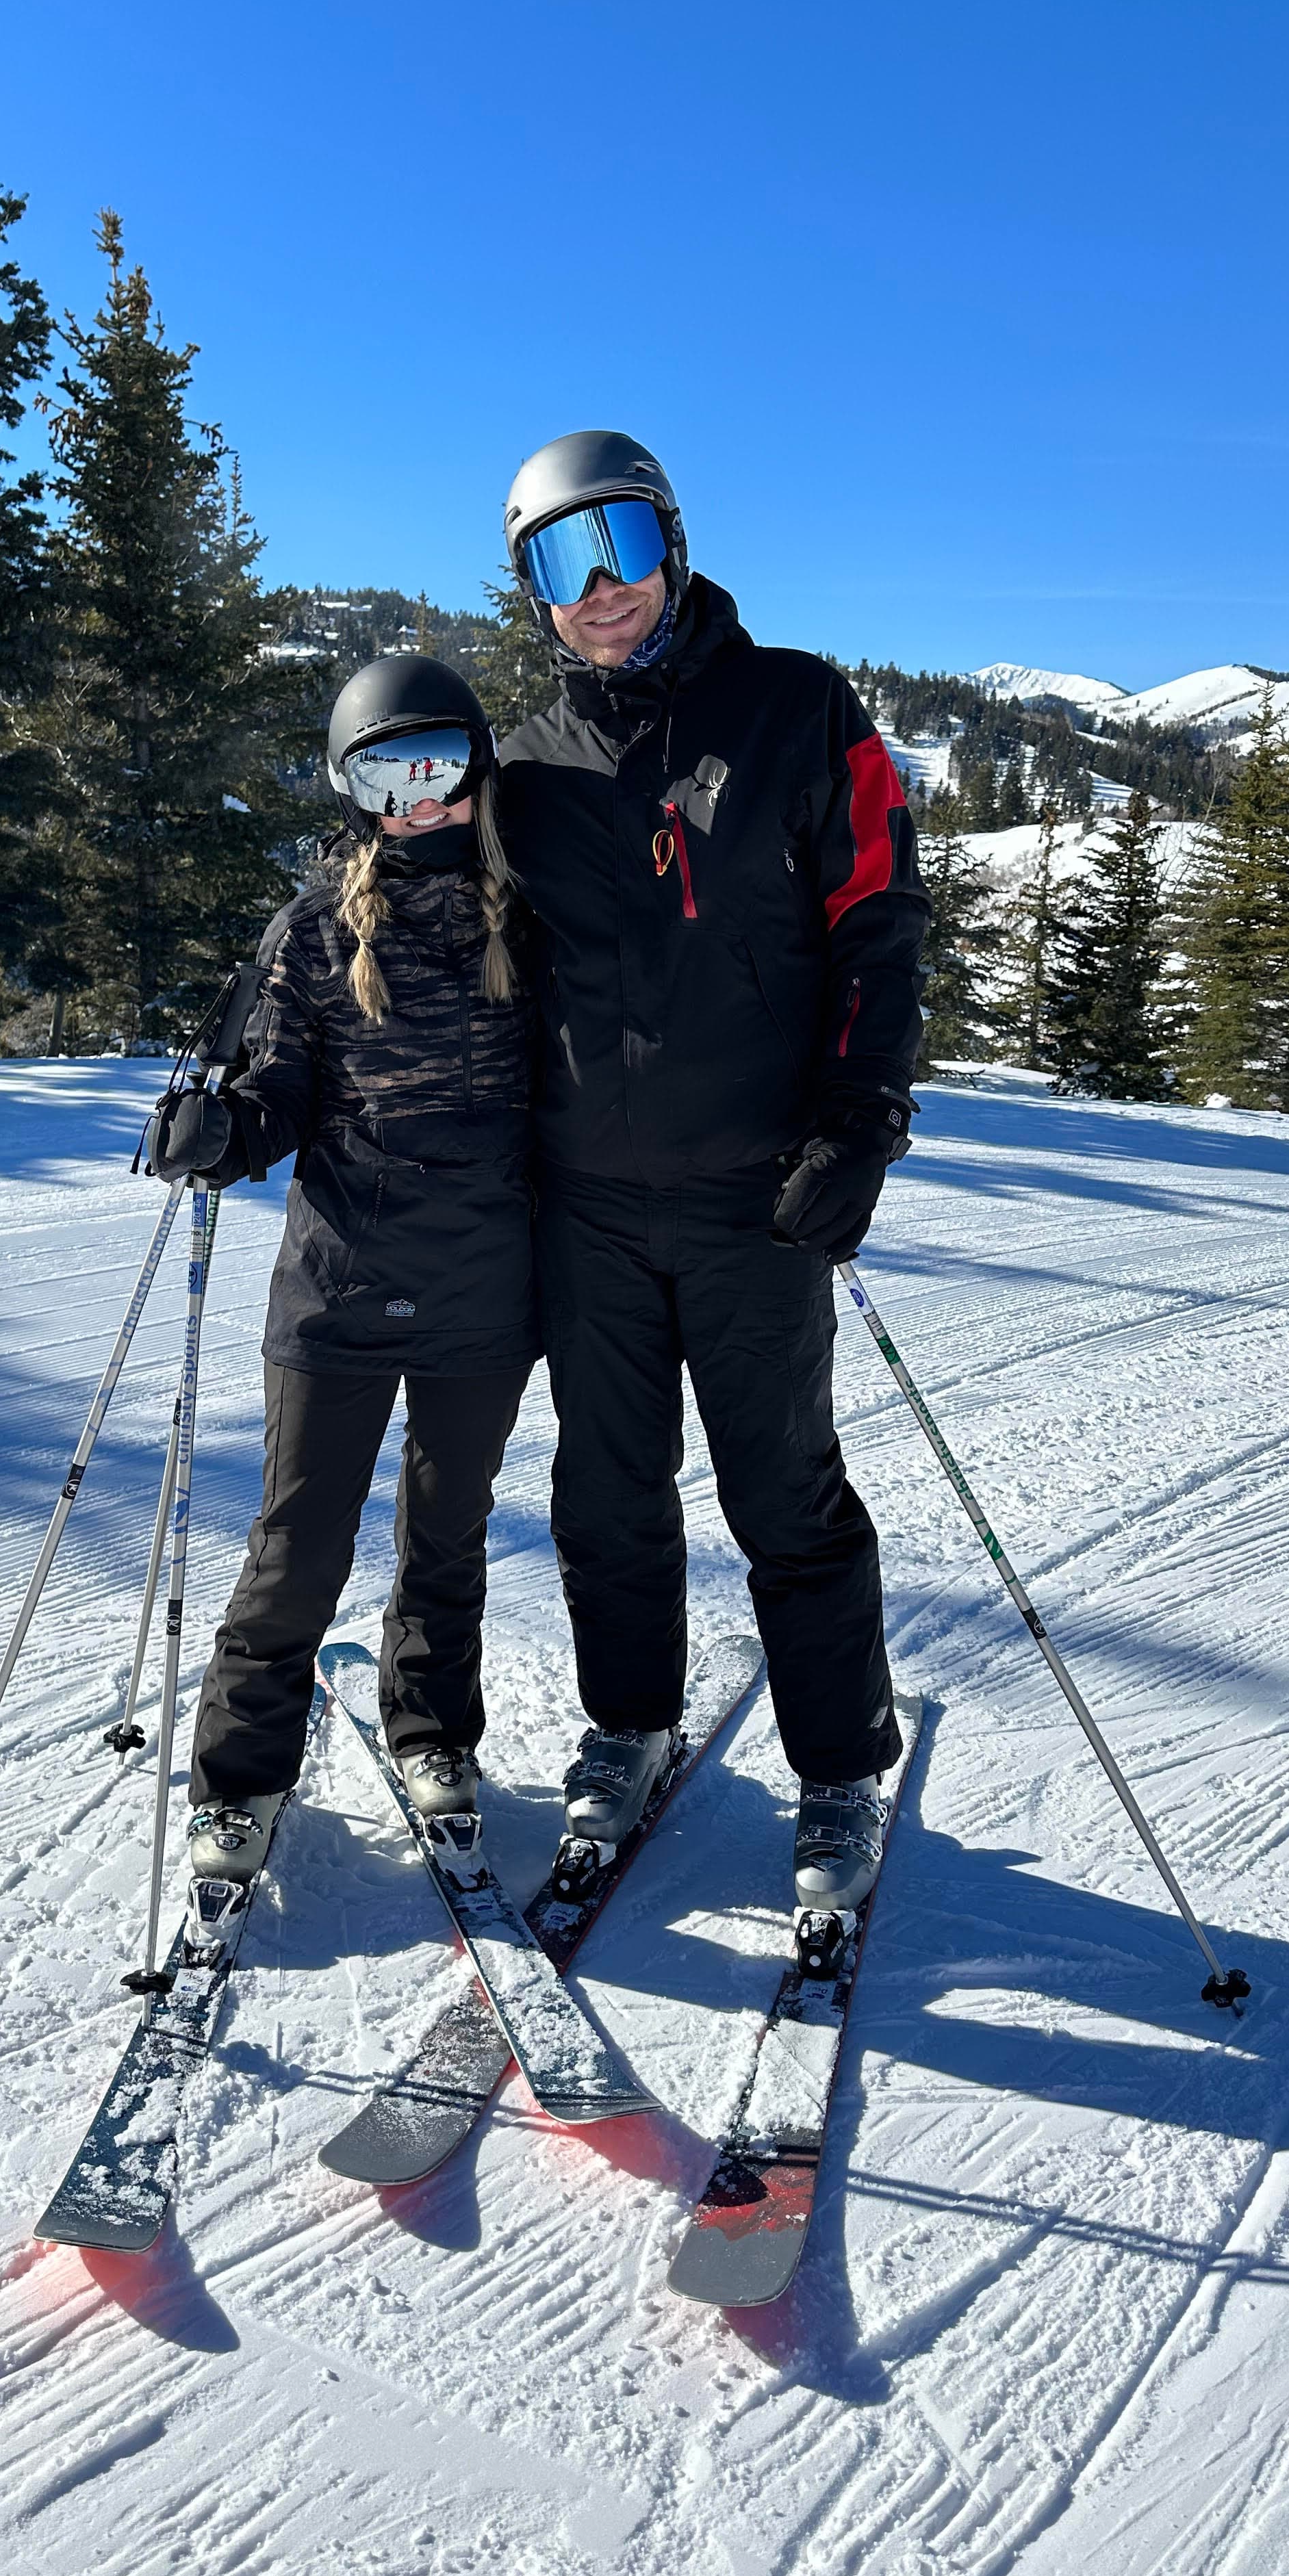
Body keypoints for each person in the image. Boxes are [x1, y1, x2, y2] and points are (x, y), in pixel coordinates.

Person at [494, 430, 930, 1916]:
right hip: (589, 1203)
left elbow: (877, 914)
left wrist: (861, 1116)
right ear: (534, 595)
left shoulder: (798, 706)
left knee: (783, 1489)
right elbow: (399, 919)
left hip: (758, 1192)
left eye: (617, 540)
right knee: (605, 1491)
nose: (600, 585)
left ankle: (838, 1770)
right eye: (560, 561)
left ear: (671, 540)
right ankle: (627, 1725)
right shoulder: (529, 769)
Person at [151, 656, 537, 1895]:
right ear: (351, 788)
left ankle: (433, 1736)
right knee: (298, 1540)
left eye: (441, 767)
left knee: (448, 1534)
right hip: (340, 1285)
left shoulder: (534, 917)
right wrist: (223, 1130)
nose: (419, 801)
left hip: (487, 1279)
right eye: (387, 773)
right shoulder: (315, 929)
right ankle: (239, 1778)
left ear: (479, 767)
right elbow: (277, 1086)